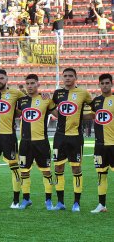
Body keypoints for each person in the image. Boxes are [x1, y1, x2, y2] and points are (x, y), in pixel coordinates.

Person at [51, 68, 92, 211]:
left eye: (70, 76)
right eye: (65, 76)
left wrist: (83, 117)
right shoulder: (57, 93)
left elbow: (95, 108)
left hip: (75, 137)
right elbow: (54, 110)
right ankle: (60, 202)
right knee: (58, 167)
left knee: (76, 168)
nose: (67, 78)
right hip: (59, 137)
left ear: (76, 77)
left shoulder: (83, 93)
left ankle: (76, 203)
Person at [0, 69, 25, 208]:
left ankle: (15, 200)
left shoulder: (16, 93)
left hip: (9, 136)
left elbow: (28, 102)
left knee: (14, 167)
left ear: (7, 79)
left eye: (2, 78)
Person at [17, 74, 56, 210]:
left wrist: (51, 99)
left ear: (38, 84)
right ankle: (26, 199)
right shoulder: (21, 101)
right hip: (25, 142)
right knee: (24, 171)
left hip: (41, 142)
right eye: (27, 83)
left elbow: (58, 114)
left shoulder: (45, 100)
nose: (29, 86)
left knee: (46, 171)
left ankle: (48, 200)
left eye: (32, 83)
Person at [89, 73, 114, 213]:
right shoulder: (96, 102)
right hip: (99, 145)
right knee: (101, 174)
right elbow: (89, 115)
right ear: (99, 85)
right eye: (102, 83)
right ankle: (102, 205)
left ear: (111, 83)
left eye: (107, 83)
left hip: (113, 144)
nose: (105, 85)